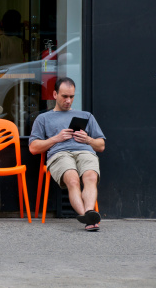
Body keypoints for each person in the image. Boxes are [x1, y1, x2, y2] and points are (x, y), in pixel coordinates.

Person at [28, 77, 106, 231]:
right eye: (65, 96)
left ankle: (89, 213)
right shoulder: (43, 118)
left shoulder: (86, 116)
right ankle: (88, 217)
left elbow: (101, 146)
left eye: (71, 97)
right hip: (60, 154)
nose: (68, 101)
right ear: (55, 94)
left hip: (84, 151)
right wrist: (56, 138)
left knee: (90, 176)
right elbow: (33, 148)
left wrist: (88, 139)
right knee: (73, 179)